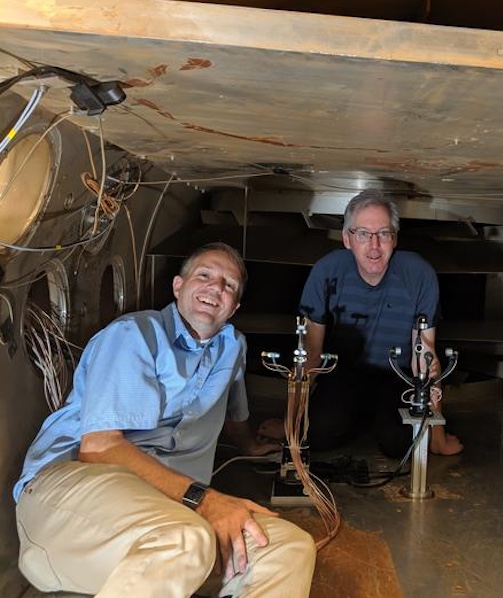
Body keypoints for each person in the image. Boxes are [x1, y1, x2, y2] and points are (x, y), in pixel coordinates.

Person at [13, 242, 316, 598]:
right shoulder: (135, 335)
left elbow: (235, 413)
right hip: (68, 502)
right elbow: (98, 449)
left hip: (172, 512)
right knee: (185, 538)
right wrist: (206, 500)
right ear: (178, 286)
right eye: (205, 275)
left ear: (234, 307)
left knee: (289, 548)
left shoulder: (232, 347)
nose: (216, 287)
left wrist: (249, 445)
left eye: (229, 285)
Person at [298, 189, 463, 458]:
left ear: (394, 239)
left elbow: (425, 353)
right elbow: (311, 353)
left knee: (401, 445)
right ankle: (362, 417)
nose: (374, 246)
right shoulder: (326, 271)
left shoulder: (419, 274)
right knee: (318, 434)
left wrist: (437, 437)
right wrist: (291, 424)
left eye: (383, 234)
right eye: (363, 234)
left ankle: (376, 420)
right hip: (343, 375)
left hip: (396, 377)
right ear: (347, 239)